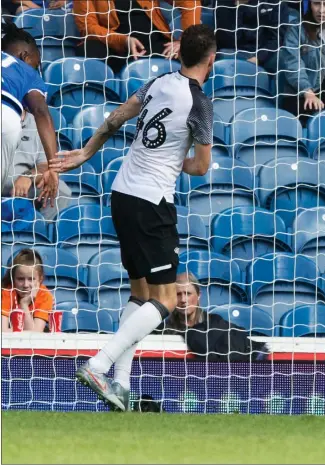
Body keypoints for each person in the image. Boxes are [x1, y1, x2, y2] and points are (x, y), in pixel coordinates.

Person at [50, 24, 216, 411]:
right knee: (167, 298)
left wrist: (86, 152)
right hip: (152, 202)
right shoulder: (200, 104)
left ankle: (121, 385)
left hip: (122, 193)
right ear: (211, 58)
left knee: (139, 294)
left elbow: (114, 119)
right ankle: (98, 364)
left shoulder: (158, 82)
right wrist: (180, 161)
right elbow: (202, 167)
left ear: (181, 54)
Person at [1, 23, 58, 205]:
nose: (36, 68)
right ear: (25, 57)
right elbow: (41, 112)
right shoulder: (26, 71)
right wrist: (53, 167)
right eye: (36, 63)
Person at [161, 272, 269, 362]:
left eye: (188, 294)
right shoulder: (163, 329)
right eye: (178, 294)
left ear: (199, 295)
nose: (183, 300)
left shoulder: (216, 323)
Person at [73, 0, 201, 73]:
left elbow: (190, 2)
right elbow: (87, 26)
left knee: (191, 53)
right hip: (114, 46)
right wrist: (123, 40)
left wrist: (185, 40)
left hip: (153, 42)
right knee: (89, 50)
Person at [2, 112, 71, 220]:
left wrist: (28, 176)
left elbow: (45, 165)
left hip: (23, 186)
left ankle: (43, 231)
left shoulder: (38, 123)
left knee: (61, 191)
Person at [214, 0, 289, 73]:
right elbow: (226, 40)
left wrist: (259, 58)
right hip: (233, 51)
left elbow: (276, 38)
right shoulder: (223, 3)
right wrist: (239, 6)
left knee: (282, 59)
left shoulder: (276, 3)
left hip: (264, 53)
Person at [1, 248, 53, 333]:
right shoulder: (7, 292)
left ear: (40, 279)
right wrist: (26, 331)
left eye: (31, 279)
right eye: (20, 279)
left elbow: (35, 333)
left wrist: (24, 304)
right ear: (13, 279)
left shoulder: (45, 296)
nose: (25, 285)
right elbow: (2, 331)